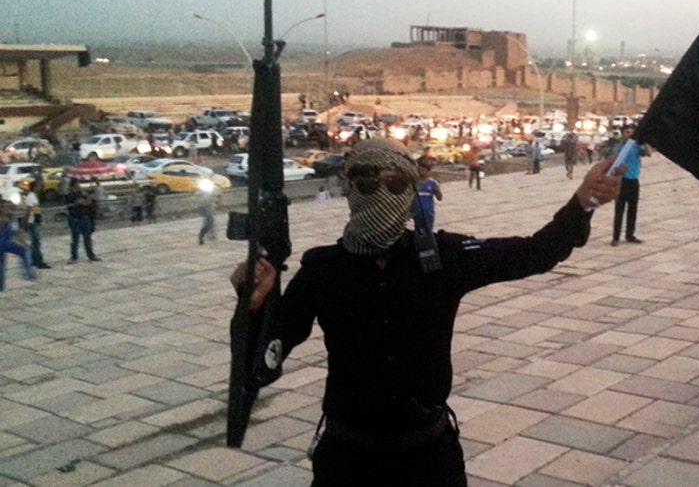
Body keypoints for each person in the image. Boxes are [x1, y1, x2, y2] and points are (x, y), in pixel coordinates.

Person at [229, 139, 623, 485]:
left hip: (428, 457)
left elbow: (537, 252)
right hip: (348, 460)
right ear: (348, 187)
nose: (381, 193)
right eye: (367, 182)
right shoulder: (323, 272)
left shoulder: (442, 258)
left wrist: (584, 201)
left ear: (410, 191)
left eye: (395, 183)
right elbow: (263, 361)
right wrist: (254, 307)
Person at [610, 125, 651, 246]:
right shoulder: (618, 147)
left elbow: (648, 153)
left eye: (632, 133)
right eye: (627, 132)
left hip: (634, 181)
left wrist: (645, 142)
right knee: (619, 210)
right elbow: (613, 162)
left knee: (633, 209)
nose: (629, 135)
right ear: (622, 134)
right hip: (621, 181)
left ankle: (630, 235)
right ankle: (615, 237)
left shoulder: (637, 147)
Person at [0, 203, 35, 291]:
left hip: (7, 242)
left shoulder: (11, 218)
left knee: (24, 252)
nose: (7, 209)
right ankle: (1, 286)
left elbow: (16, 233)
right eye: (4, 207)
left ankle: (28, 273)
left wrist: (24, 243)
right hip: (3, 243)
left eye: (8, 207)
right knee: (1, 265)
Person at [66, 179, 101, 262]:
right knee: (75, 239)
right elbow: (83, 203)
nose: (79, 186)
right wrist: (89, 197)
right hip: (75, 218)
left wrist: (89, 193)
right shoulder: (70, 195)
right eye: (78, 184)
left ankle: (91, 255)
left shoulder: (81, 193)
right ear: (74, 185)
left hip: (84, 217)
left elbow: (89, 203)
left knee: (87, 237)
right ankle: (74, 256)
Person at [21, 186, 49, 270]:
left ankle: (34, 260)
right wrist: (25, 222)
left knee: (34, 242)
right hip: (33, 222)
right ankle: (39, 261)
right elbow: (29, 210)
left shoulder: (33, 196)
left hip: (34, 221)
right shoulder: (31, 197)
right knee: (36, 242)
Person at [415, 158, 443, 232]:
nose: (420, 172)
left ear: (428, 171)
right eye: (419, 170)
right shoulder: (415, 183)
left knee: (428, 230)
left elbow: (439, 198)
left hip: (428, 211)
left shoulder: (433, 183)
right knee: (418, 230)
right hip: (417, 212)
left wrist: (437, 191)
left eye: (423, 170)